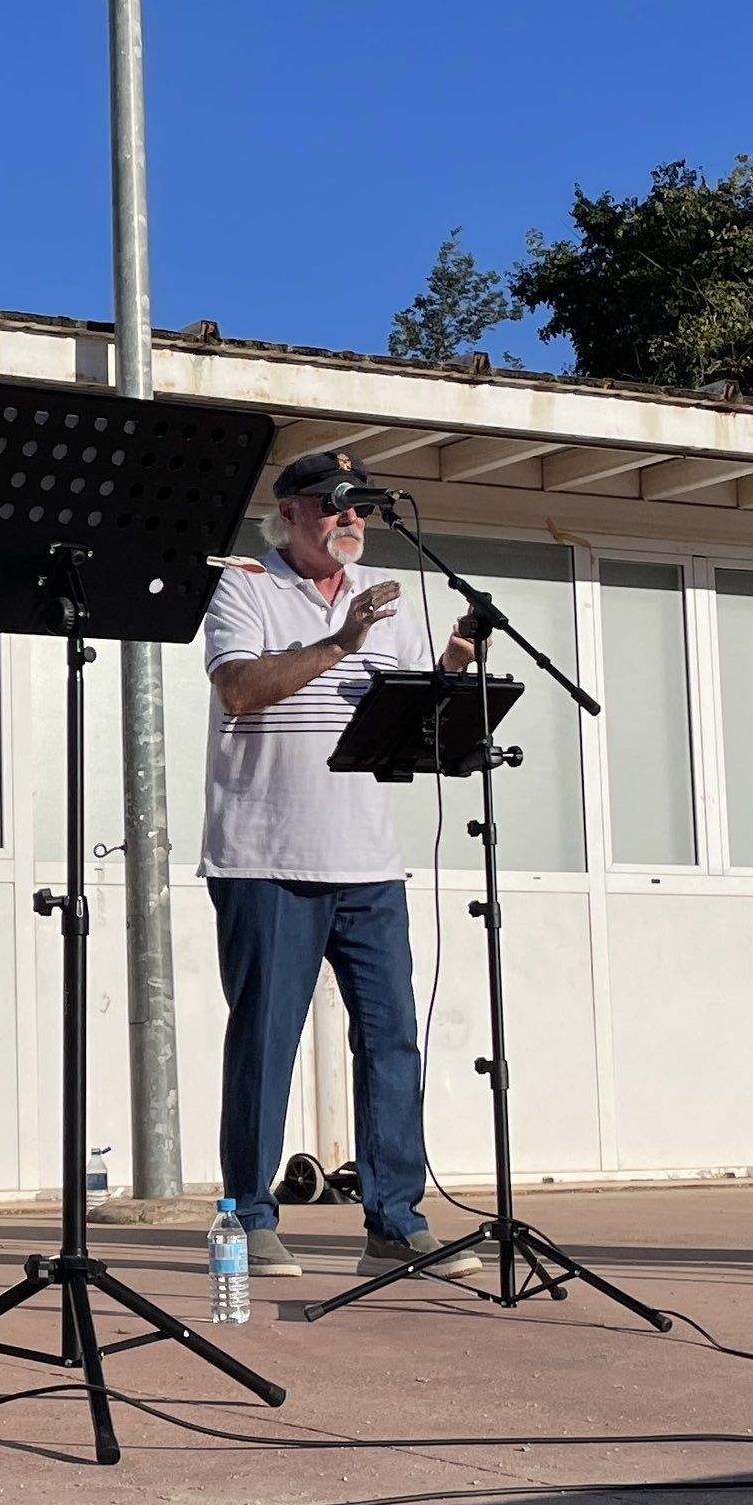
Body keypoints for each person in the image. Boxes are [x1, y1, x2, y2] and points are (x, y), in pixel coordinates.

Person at [200, 449, 479, 1280]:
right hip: (266, 855)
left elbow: (398, 724)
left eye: (359, 506)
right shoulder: (244, 584)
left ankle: (394, 1221)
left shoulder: (391, 595)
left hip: (368, 859)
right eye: (331, 504)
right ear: (288, 512)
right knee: (266, 1042)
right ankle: (249, 1217)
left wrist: (450, 678)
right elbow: (241, 691)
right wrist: (341, 638)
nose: (350, 518)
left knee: (392, 1042)